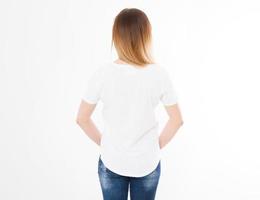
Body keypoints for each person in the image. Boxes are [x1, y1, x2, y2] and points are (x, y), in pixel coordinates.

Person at [76, 8, 184, 200]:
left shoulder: (102, 74)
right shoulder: (159, 74)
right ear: (146, 36)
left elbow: (82, 118)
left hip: (112, 160)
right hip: (146, 162)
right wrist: (155, 146)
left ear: (116, 37)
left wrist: (105, 143)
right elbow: (177, 120)